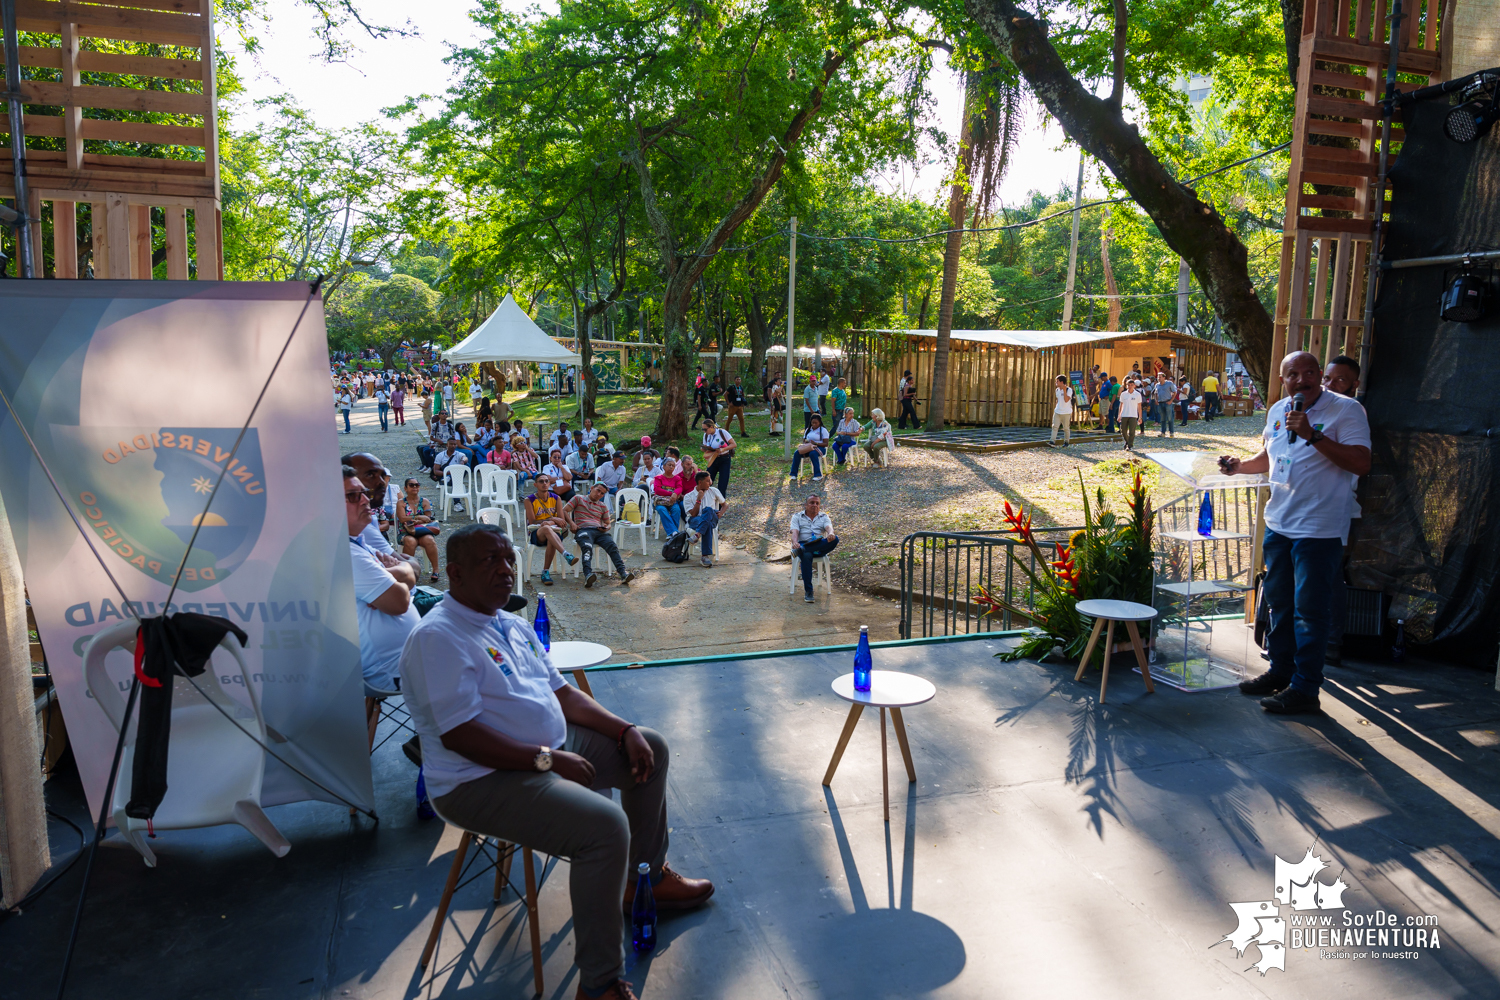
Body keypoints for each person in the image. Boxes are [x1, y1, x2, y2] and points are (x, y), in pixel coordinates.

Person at [399, 524, 712, 1000]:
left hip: (548, 750)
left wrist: (624, 730)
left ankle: (641, 880)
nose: (506, 571)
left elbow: (563, 694)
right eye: (490, 562)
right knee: (604, 827)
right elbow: (459, 735)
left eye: (509, 559)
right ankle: (600, 983)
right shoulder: (439, 637)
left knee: (651, 745)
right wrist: (545, 759)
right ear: (456, 574)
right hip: (478, 780)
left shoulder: (511, 623)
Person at [1219, 351, 1371, 715]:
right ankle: (1280, 671)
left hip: (1319, 529)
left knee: (1310, 611)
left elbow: (1361, 463)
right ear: (1283, 379)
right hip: (1279, 524)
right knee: (1280, 605)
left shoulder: (1347, 411)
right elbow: (1271, 458)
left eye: (1308, 372)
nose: (1301, 380)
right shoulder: (1277, 411)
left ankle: (1305, 688)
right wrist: (1239, 467)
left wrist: (1313, 434)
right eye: (1292, 374)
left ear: (1320, 374)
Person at [344, 467, 420, 746]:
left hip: (404, 659)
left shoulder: (358, 542)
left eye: (362, 493)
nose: (366, 499)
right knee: (482, 654)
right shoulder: (346, 552)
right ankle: (446, 745)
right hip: (391, 670)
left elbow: (407, 575)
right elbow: (400, 601)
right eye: (353, 496)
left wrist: (395, 576)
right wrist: (401, 575)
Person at [1322, 354, 1363, 666]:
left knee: (1331, 576)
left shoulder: (1351, 413)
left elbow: (1359, 463)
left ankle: (1332, 641)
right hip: (1302, 511)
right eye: (1328, 378)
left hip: (1338, 511)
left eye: (1340, 380)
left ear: (1354, 385)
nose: (1331, 385)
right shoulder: (1308, 409)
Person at [566, 482, 636, 588]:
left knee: (612, 546)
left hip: (599, 531)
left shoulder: (602, 506)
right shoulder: (578, 498)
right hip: (583, 530)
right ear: (592, 488)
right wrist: (571, 523)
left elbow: (608, 523)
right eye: (598, 490)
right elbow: (564, 511)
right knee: (587, 548)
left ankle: (623, 573)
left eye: (602, 493)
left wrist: (606, 528)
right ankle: (588, 574)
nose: (599, 494)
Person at [524, 473, 578, 585]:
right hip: (537, 532)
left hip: (554, 532)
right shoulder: (529, 500)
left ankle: (545, 572)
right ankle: (566, 554)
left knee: (550, 536)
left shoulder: (556, 498)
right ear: (535, 484)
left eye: (546, 481)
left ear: (549, 483)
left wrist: (550, 521)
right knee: (547, 529)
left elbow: (562, 520)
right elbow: (533, 521)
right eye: (541, 481)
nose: (544, 483)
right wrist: (552, 519)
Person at [789, 494, 839, 603]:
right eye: (812, 502)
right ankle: (809, 591)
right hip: (803, 543)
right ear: (806, 505)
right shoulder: (797, 516)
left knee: (835, 539)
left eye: (817, 503)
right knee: (806, 555)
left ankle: (803, 550)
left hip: (820, 545)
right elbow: (795, 531)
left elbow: (829, 527)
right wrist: (795, 542)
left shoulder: (823, 516)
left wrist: (830, 533)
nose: (814, 505)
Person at [396, 477, 442, 583]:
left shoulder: (425, 501)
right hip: (405, 532)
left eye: (417, 485)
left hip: (422, 531)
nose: (415, 487)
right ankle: (409, 571)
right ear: (405, 488)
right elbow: (402, 519)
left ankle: (436, 570)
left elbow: (428, 519)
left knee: (429, 539)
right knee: (410, 541)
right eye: (411, 485)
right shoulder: (401, 502)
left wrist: (413, 519)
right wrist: (419, 517)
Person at [685, 470, 726, 567]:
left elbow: (725, 505)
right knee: (706, 523)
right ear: (700, 482)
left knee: (708, 510)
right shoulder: (688, 496)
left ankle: (697, 535)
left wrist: (720, 514)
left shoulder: (713, 491)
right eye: (708, 481)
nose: (710, 482)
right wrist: (698, 500)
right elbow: (693, 514)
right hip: (695, 520)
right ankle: (704, 556)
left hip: (712, 519)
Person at [700, 417, 735, 497]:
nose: (704, 431)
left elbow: (733, 444)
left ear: (711, 427)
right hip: (713, 459)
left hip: (724, 459)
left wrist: (723, 449)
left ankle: (721, 506)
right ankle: (706, 501)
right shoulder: (706, 435)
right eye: (703, 430)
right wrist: (703, 448)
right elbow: (705, 447)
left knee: (722, 484)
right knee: (706, 481)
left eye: (705, 429)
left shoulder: (722, 432)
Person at [791, 412, 830, 481]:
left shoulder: (823, 430)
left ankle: (818, 475)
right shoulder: (808, 430)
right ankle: (793, 474)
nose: (814, 424)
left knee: (813, 453)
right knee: (797, 453)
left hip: (820, 448)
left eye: (816, 423)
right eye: (812, 423)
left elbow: (826, 444)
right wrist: (806, 442)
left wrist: (816, 443)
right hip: (809, 447)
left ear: (820, 422)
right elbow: (804, 440)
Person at [652, 457, 686, 535]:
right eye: (669, 465)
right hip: (660, 501)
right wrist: (672, 494)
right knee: (661, 509)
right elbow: (657, 490)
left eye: (673, 465)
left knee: (676, 509)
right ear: (663, 466)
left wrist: (675, 494)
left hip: (672, 501)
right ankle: (674, 532)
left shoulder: (677, 478)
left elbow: (680, 488)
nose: (671, 467)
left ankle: (672, 533)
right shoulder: (659, 478)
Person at [1117, 379, 1143, 451]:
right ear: (1126, 386)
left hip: (1133, 415)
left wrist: (1140, 417)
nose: (1130, 386)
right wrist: (1119, 415)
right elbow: (1121, 405)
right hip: (1124, 414)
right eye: (1128, 385)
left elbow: (1139, 407)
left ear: (1134, 386)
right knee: (1123, 430)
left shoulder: (1137, 394)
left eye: (1131, 385)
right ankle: (1127, 442)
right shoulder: (1123, 394)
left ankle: (1130, 445)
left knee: (1132, 431)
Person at [1050, 374, 1074, 446]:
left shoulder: (1069, 390)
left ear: (1062, 382)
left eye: (1057, 381)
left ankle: (1066, 441)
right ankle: (1052, 441)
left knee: (1066, 428)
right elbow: (1058, 400)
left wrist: (1064, 390)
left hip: (1066, 412)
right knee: (1055, 426)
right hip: (1057, 411)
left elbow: (1066, 400)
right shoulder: (1057, 390)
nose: (1056, 383)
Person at [1154, 372, 1177, 437]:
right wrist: (1156, 400)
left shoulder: (1169, 383)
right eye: (1158, 377)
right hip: (1160, 403)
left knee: (1170, 418)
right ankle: (1163, 432)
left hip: (1167, 402)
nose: (1159, 378)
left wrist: (1171, 401)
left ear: (1164, 377)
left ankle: (1171, 432)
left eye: (1160, 377)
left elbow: (1174, 392)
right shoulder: (1157, 385)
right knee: (1162, 418)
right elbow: (1156, 392)